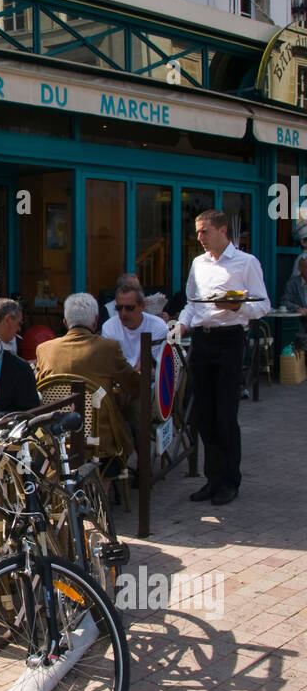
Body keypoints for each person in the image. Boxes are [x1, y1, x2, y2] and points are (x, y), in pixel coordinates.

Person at [172, 209, 270, 506]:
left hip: (229, 340)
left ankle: (229, 481)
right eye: (198, 231)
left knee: (226, 415)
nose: (199, 237)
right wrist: (180, 323)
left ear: (222, 230)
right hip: (202, 340)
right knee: (203, 415)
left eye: (204, 231)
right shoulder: (198, 263)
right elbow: (191, 303)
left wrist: (237, 308)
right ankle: (212, 479)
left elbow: (263, 305)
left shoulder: (246, 262)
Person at [35, 293, 139, 463]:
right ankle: (113, 480)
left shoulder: (44, 349)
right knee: (131, 424)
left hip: (57, 434)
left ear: (65, 322)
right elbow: (133, 385)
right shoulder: (108, 348)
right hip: (98, 438)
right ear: (95, 321)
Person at [101, 283, 169, 370]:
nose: (123, 313)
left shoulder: (158, 326)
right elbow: (110, 366)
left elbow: (155, 365)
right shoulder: (108, 327)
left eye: (129, 308)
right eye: (119, 308)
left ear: (142, 307)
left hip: (150, 381)